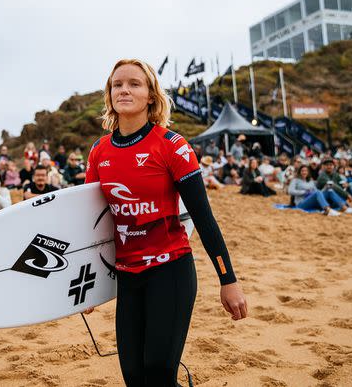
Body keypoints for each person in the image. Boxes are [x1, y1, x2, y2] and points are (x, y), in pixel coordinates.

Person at [84, 59, 246, 386]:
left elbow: (203, 217)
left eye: (135, 84)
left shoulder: (172, 146)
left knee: (158, 371)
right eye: (118, 84)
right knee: (134, 376)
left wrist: (228, 279)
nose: (125, 90)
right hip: (127, 276)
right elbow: (92, 224)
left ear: (151, 96)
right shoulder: (99, 152)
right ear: (109, 94)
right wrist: (85, 287)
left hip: (169, 269)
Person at [288, 165, 352, 216]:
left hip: (311, 201)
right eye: (302, 171)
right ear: (299, 172)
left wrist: (325, 188)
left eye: (306, 171)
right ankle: (328, 210)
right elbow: (290, 191)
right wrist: (304, 192)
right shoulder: (295, 180)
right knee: (317, 192)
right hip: (301, 203)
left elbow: (317, 191)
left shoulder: (310, 181)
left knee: (329, 190)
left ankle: (344, 208)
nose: (304, 172)